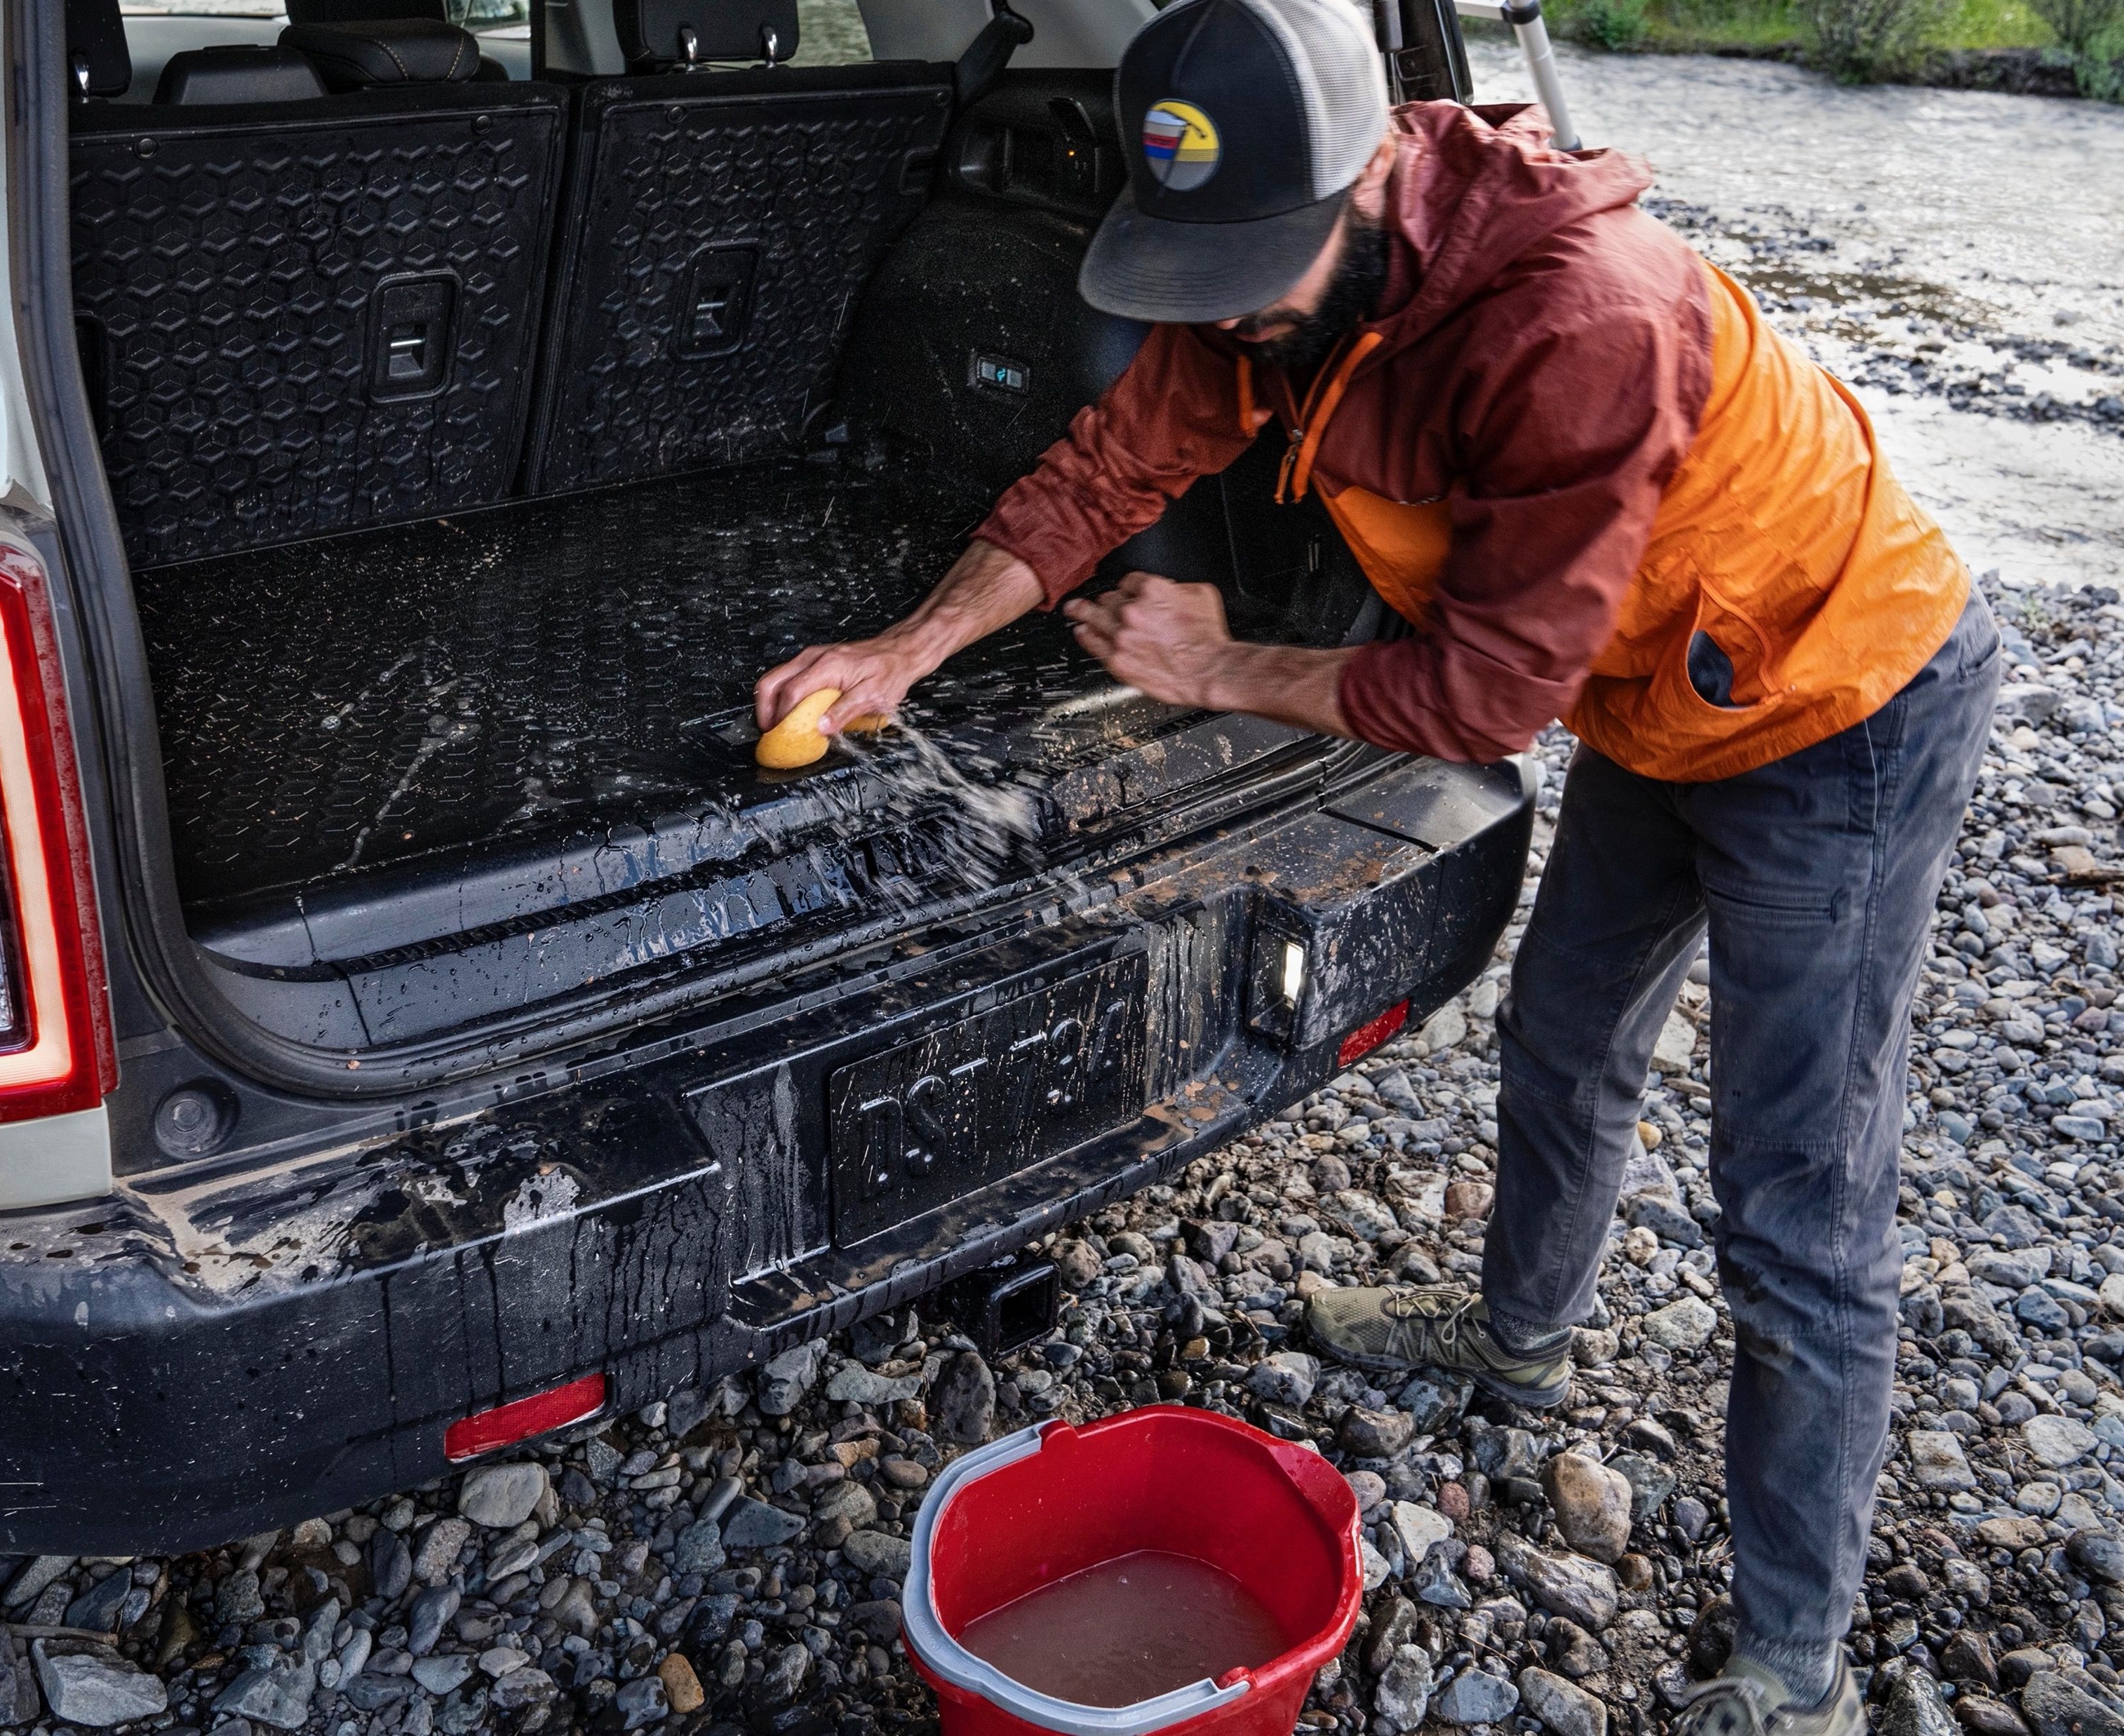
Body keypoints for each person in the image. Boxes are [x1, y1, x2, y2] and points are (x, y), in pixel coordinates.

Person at [754, 0, 2001, 1726]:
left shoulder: (1583, 322)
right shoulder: (1265, 272)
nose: (1232, 310)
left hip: (1838, 701)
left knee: (1795, 1200)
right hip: (1658, 687)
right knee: (1563, 1037)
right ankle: (1514, 1343)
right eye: (1207, 272)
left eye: (1260, 270)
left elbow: (1491, 694)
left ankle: (1794, 1662)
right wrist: (904, 649)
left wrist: (1218, 669)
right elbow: (1105, 469)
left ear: (1369, 184)